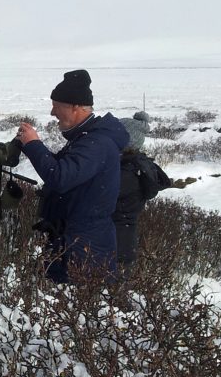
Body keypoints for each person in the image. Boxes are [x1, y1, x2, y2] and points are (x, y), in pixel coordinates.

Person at [16, 69, 129, 284]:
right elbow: (63, 169)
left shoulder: (97, 143)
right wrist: (27, 146)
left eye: (56, 106)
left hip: (85, 248)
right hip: (74, 241)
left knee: (82, 311)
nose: (52, 113)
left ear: (75, 107)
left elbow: (60, 177)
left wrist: (34, 144)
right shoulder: (86, 139)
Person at [112, 111, 171, 276]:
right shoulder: (134, 166)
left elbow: (96, 197)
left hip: (116, 241)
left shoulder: (127, 172)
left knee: (113, 289)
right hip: (124, 238)